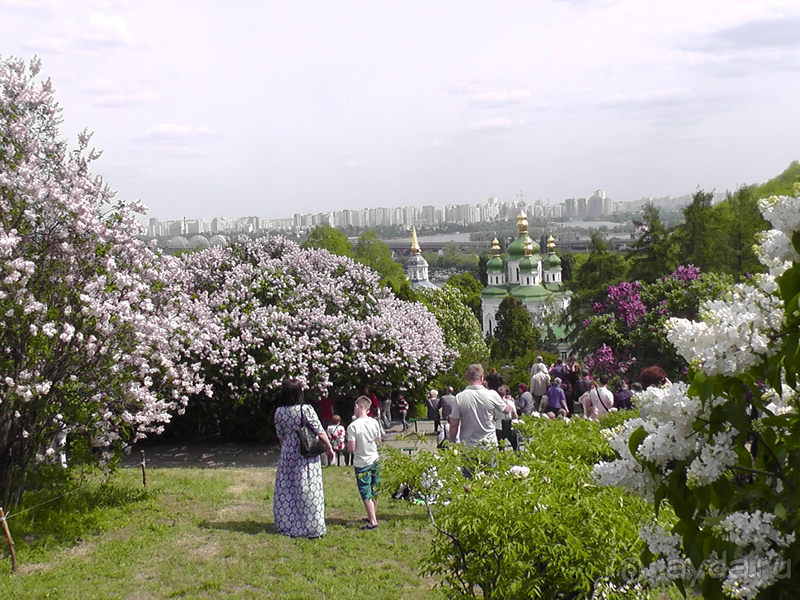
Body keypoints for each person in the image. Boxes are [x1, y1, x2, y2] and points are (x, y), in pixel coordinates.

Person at [273, 378, 335, 539]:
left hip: (288, 452)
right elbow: (319, 430)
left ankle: (288, 524)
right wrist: (329, 447)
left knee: (287, 488)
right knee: (308, 488)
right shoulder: (305, 409)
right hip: (304, 452)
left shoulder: (279, 412)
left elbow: (281, 436)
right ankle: (312, 527)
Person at [449, 364, 510, 447]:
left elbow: (453, 424)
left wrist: (452, 442)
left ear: (467, 377)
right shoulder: (492, 394)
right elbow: (507, 410)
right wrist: (504, 400)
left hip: (468, 446)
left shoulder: (459, 397)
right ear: (482, 377)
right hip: (489, 445)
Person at [347, 395, 382, 531]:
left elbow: (351, 448)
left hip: (361, 462)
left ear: (357, 406)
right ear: (368, 409)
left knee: (365, 490)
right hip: (374, 458)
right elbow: (378, 441)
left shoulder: (353, 426)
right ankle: (372, 514)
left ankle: (372, 521)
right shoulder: (374, 422)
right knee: (374, 487)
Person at [494, 385, 519, 451]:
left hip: (499, 426)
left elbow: (493, 417)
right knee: (515, 444)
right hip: (510, 425)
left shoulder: (495, 405)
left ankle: (502, 457)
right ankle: (518, 455)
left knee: (500, 446)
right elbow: (515, 415)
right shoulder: (510, 403)